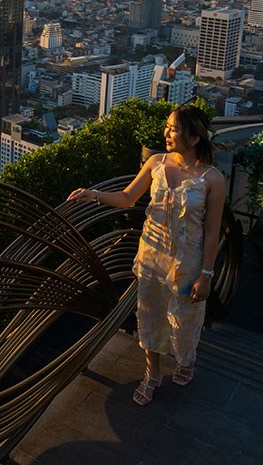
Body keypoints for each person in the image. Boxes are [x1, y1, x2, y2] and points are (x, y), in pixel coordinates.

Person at [69, 105, 226, 405]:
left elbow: (211, 232)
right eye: (167, 127)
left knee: (185, 320)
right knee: (150, 315)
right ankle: (152, 373)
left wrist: (207, 274)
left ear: (194, 138)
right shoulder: (156, 163)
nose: (167, 134)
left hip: (188, 263)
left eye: (174, 129)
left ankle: (185, 360)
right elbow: (128, 197)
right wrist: (93, 195)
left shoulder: (212, 179)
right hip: (153, 256)